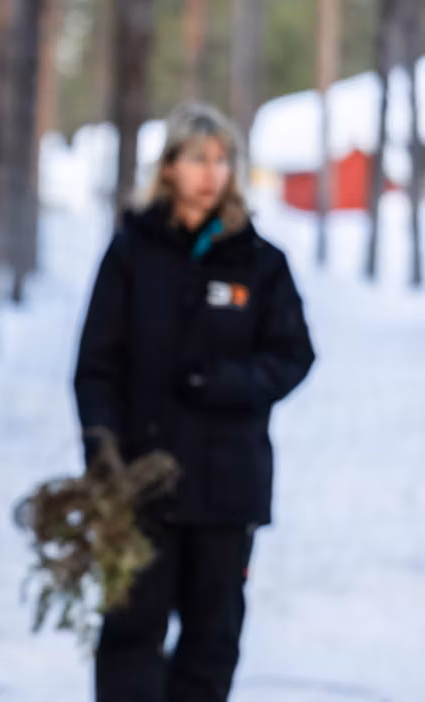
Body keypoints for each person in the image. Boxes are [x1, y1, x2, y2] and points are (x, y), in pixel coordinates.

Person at [74, 102, 315, 702]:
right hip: (140, 486)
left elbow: (293, 355)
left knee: (213, 639)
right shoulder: (132, 252)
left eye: (222, 159)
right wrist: (103, 454)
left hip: (227, 489)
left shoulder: (260, 262)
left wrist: (224, 381)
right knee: (130, 632)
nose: (212, 172)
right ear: (169, 167)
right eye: (198, 158)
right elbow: (96, 367)